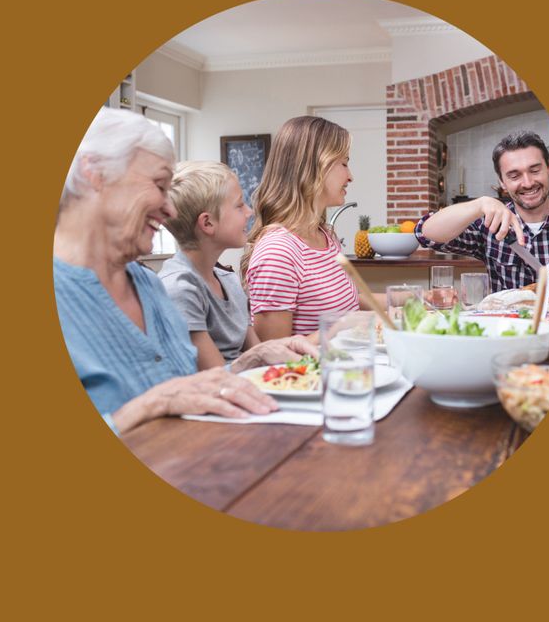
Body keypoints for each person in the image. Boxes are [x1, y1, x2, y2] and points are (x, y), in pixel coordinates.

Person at [53, 108, 317, 435]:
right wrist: (150, 405)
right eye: (159, 185)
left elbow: (190, 390)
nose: (170, 209)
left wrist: (254, 357)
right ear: (94, 173)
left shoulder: (148, 286)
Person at [414, 130, 549, 293]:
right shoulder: (490, 225)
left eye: (535, 170)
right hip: (509, 318)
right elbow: (426, 233)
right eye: (514, 176)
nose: (528, 183)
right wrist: (479, 204)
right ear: (502, 182)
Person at [240, 115, 364, 340]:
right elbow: (273, 354)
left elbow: (350, 302)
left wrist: (411, 299)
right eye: (344, 163)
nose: (350, 176)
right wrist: (345, 326)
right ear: (314, 167)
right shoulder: (278, 252)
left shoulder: (325, 236)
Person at [160, 160, 258, 368]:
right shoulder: (180, 289)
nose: (249, 212)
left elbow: (260, 356)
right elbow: (216, 377)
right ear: (207, 223)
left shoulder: (229, 281)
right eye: (239, 205)